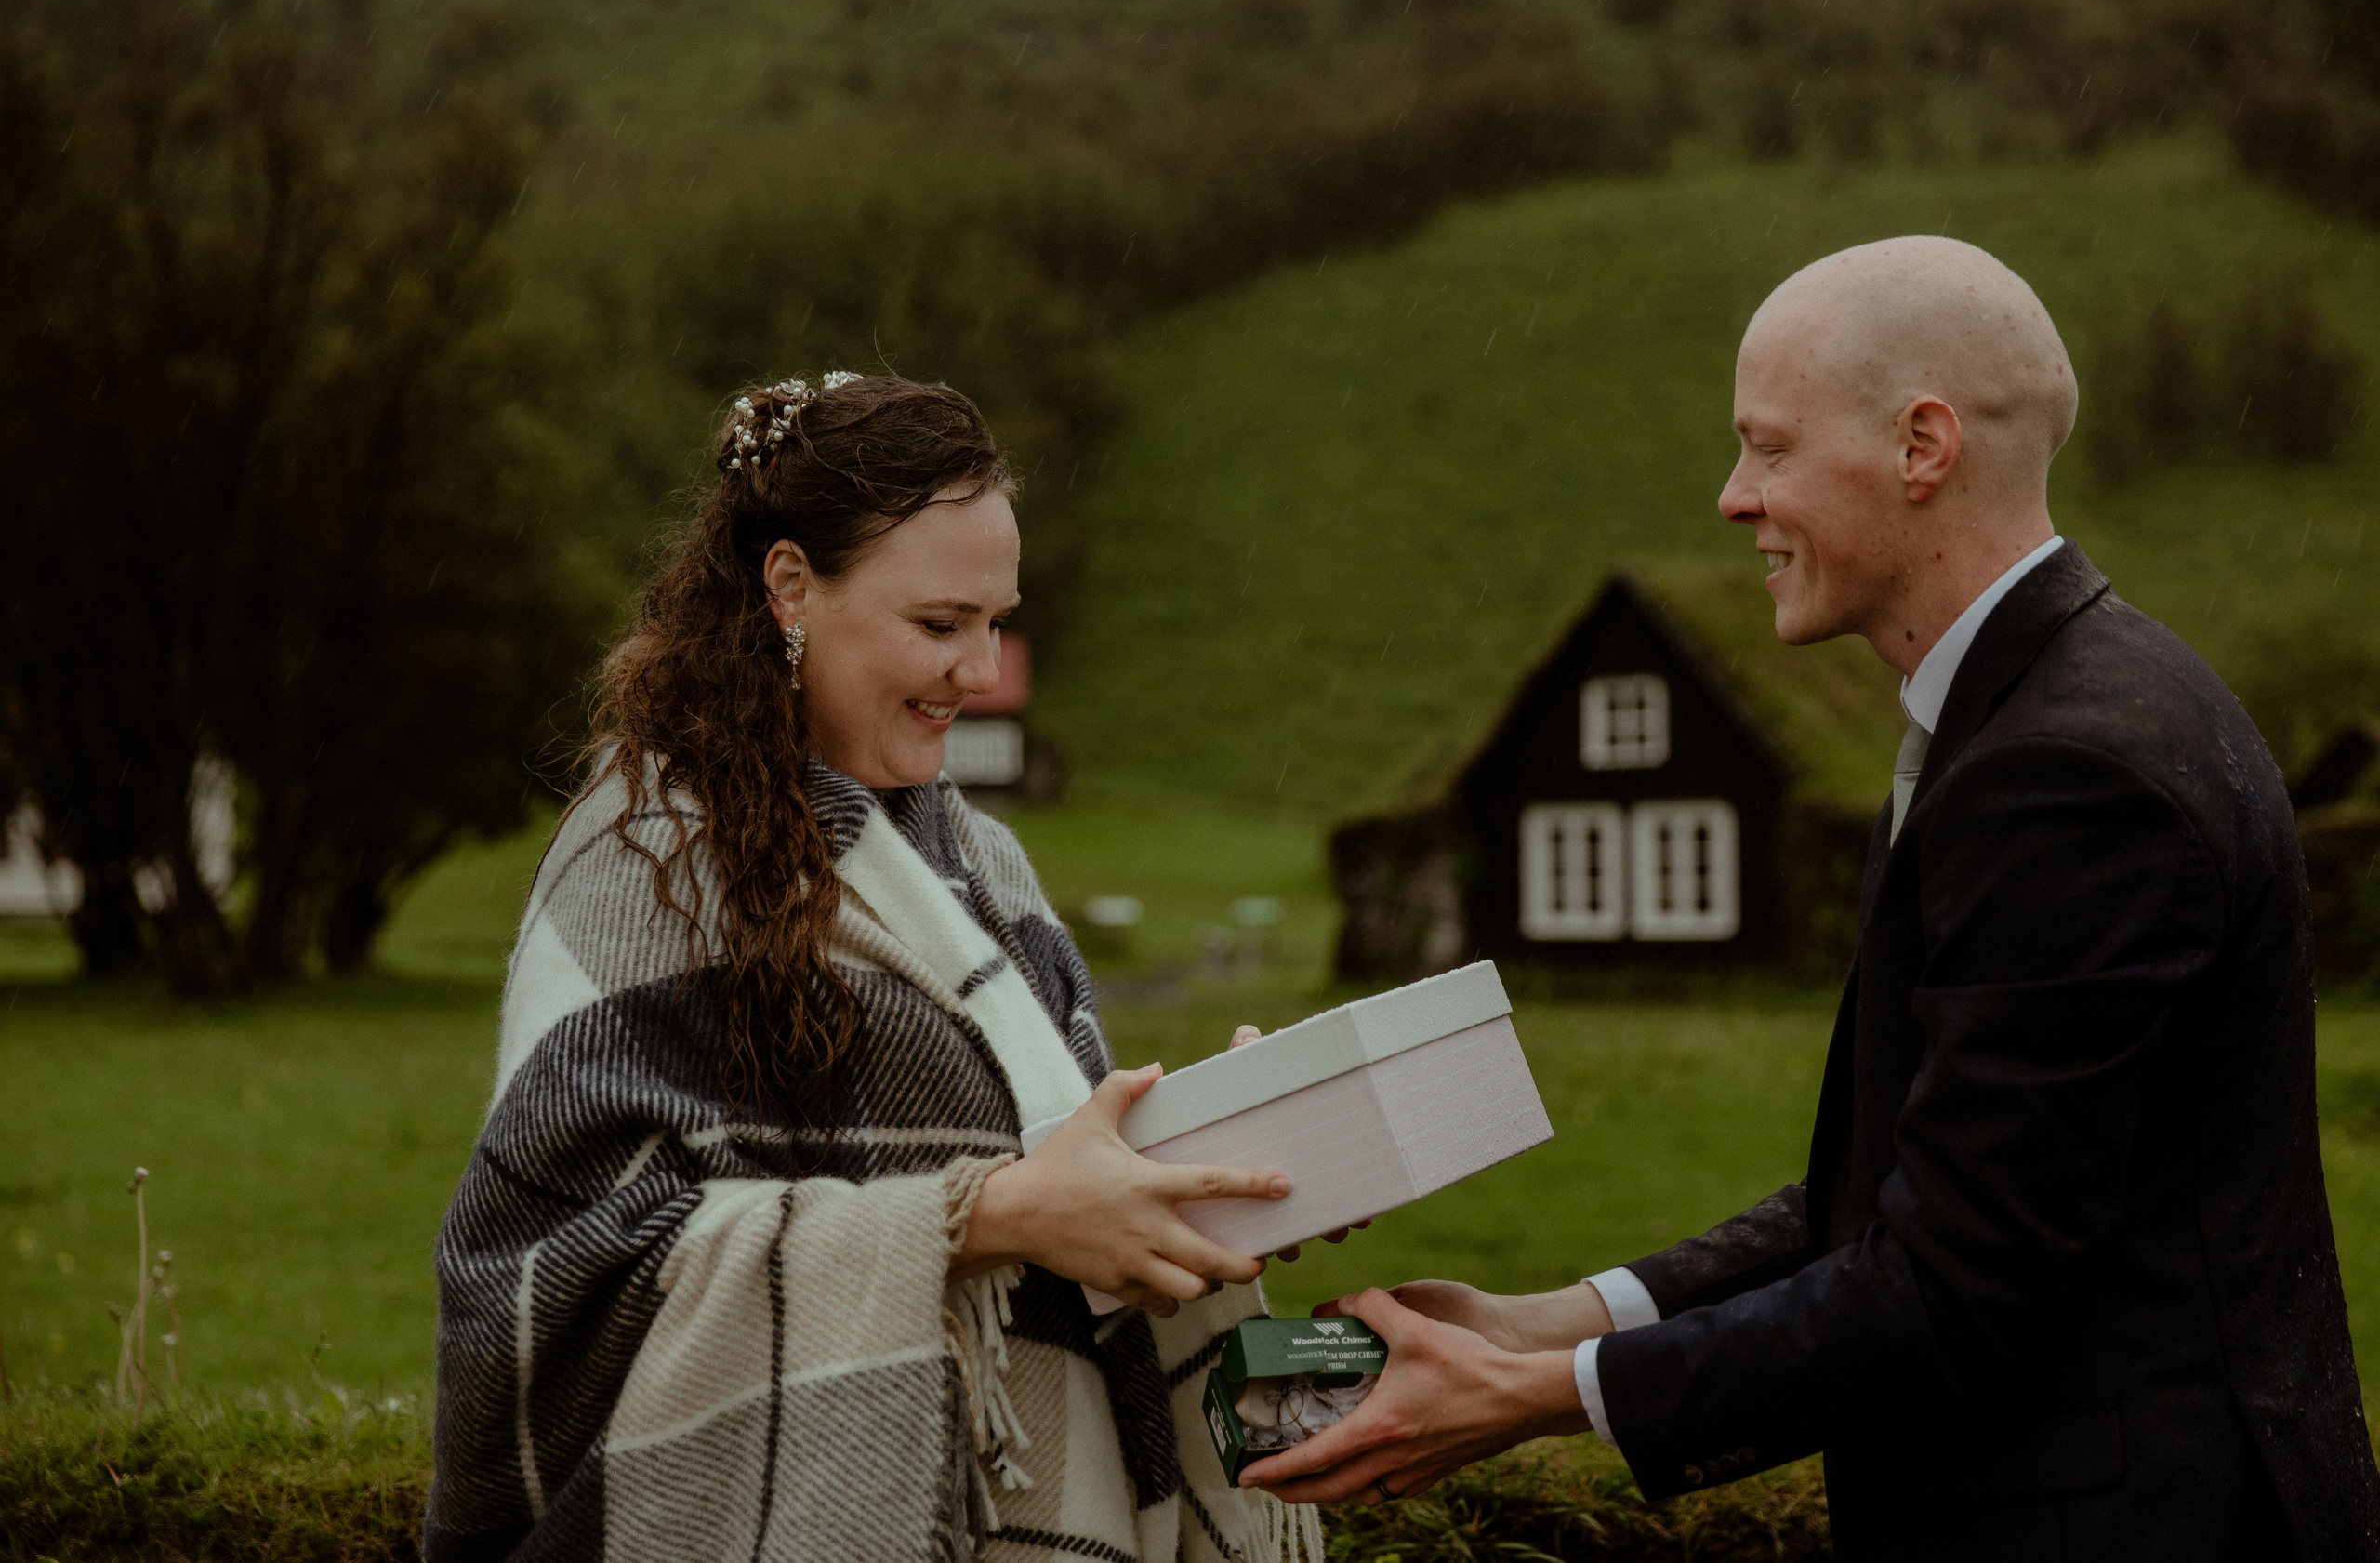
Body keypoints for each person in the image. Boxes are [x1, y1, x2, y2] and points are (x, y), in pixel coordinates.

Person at [1239, 238, 2380, 1560]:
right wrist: (1558, 1316)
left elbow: (1954, 1286)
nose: (1734, 498)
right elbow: (1914, 1185)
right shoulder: (2065, 705)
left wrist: (1536, 1398)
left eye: (1768, 449)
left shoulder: (2065, 771)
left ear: (1922, 446)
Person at [425, 373, 1324, 1563]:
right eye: (941, 625)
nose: (983, 670)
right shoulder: (645, 859)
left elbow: (1062, 1158)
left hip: (1042, 1500)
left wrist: (1210, 1163)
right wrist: (989, 1218)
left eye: (996, 624)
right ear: (790, 585)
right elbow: (551, 1280)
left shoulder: (983, 859)